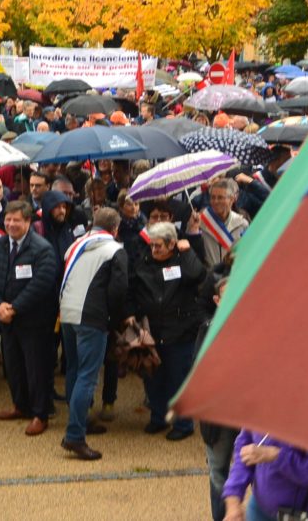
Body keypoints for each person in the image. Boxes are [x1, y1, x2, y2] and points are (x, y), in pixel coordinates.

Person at [125, 221, 209, 440]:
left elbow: (198, 275)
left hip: (180, 331)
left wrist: (187, 250)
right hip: (152, 331)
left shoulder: (183, 259)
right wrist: (131, 313)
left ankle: (183, 424)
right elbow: (132, 289)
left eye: (159, 246)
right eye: (152, 245)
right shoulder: (143, 261)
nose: (154, 250)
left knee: (178, 380)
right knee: (153, 377)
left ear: (172, 244)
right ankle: (158, 417)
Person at [58, 208, 128, 461]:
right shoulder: (115, 250)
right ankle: (75, 435)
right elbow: (118, 291)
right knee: (88, 376)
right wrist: (115, 319)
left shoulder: (75, 245)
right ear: (116, 228)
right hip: (93, 316)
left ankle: (80, 420)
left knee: (74, 371)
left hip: (67, 311)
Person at [0, 200, 58, 436]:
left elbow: (41, 284)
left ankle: (40, 414)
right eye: (8, 219)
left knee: (36, 368)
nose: (11, 224)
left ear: (28, 222)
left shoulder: (42, 249)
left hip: (33, 320)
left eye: (17, 220)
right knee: (14, 367)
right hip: (6, 320)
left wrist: (14, 308)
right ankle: (20, 405)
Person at [222, 431, 308, 521]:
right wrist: (233, 501)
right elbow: (243, 449)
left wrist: (277, 456)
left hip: (298, 513)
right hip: (259, 507)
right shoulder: (261, 418)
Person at [199, 178, 249, 268]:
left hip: (234, 274)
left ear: (232, 199)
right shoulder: (201, 222)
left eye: (220, 197)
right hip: (210, 276)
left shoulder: (242, 224)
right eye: (213, 197)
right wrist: (192, 232)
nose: (215, 201)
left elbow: (248, 251)